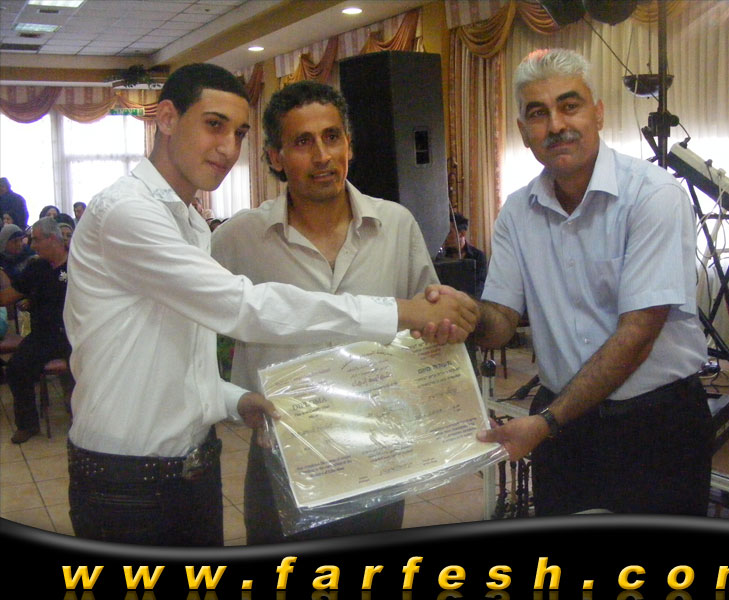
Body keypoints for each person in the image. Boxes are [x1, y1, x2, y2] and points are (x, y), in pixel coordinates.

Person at [64, 63, 478, 546]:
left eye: (238, 133)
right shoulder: (129, 213)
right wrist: (400, 311)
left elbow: (179, 352)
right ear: (168, 118)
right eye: (214, 125)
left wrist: (232, 399)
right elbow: (244, 307)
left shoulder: (191, 225)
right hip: (128, 480)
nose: (227, 148)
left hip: (200, 469)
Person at [448, 48, 712, 516]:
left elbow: (638, 335)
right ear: (523, 131)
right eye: (538, 113)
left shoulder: (653, 195)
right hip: (564, 428)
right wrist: (461, 312)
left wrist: (547, 421)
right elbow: (501, 321)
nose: (556, 125)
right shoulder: (516, 212)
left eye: (569, 106)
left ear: (599, 113)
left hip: (655, 424)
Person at [211, 80, 443, 544]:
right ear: (275, 157)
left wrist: (449, 323)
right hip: (280, 457)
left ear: (349, 146)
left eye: (332, 137)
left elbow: (429, 328)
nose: (322, 156)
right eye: (303, 142)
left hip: (376, 454)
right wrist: (229, 397)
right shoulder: (239, 239)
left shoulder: (396, 225)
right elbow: (187, 332)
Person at [0, 217, 71, 444]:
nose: (32, 245)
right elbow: (9, 296)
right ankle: (28, 425)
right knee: (16, 368)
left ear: (52, 239)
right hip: (43, 336)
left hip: (74, 335)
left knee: (89, 366)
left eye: (37, 240)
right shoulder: (36, 267)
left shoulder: (78, 264)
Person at [437, 212, 487, 298]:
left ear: (462, 233)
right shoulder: (441, 257)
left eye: (449, 232)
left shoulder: (478, 256)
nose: (444, 237)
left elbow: (480, 286)